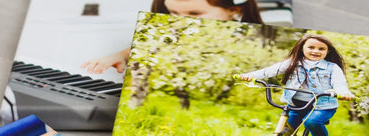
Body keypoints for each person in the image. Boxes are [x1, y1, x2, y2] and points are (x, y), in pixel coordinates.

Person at [236, 34, 355, 136]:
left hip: (323, 105)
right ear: (302, 48)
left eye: (321, 49)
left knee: (312, 122)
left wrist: (343, 92)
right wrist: (251, 75)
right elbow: (270, 71)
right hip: (296, 105)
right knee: (285, 132)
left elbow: (340, 84)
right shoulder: (293, 62)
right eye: (311, 47)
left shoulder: (332, 68)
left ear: (327, 51)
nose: (316, 51)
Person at [80, 0, 264, 75]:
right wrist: (122, 55)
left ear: (234, 9)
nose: (181, 21)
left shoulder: (251, 43)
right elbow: (155, 45)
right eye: (173, 12)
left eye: (195, 13)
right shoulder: (174, 34)